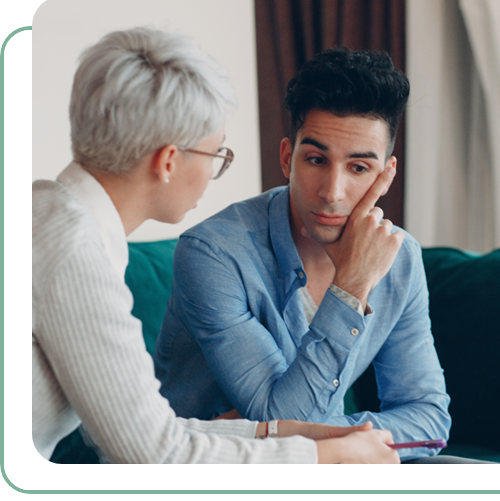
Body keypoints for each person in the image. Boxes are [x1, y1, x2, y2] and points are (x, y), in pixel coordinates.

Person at [32, 28, 402, 465]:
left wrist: (286, 435)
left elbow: (143, 428)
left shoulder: (49, 214)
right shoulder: (74, 251)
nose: (214, 173)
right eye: (217, 154)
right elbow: (151, 453)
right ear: (169, 161)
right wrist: (323, 457)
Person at [154, 47, 493, 464]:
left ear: (386, 174)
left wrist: (341, 439)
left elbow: (428, 417)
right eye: (316, 160)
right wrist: (351, 287)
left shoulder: (400, 258)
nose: (332, 192)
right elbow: (279, 423)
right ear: (286, 158)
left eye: (358, 168)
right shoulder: (212, 254)